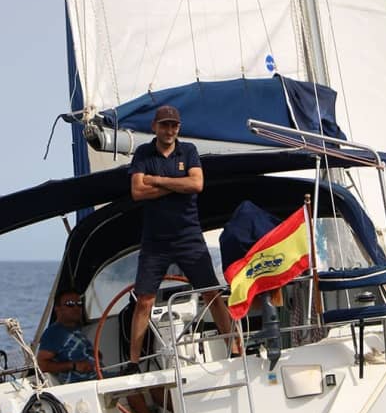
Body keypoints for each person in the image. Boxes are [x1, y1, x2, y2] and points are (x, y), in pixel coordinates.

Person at [125, 104, 237, 380]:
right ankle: (133, 361)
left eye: (174, 125)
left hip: (188, 236)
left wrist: (158, 180)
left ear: (179, 128)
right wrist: (177, 182)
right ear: (154, 127)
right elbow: (138, 191)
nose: (169, 130)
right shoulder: (142, 153)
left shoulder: (188, 151)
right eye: (164, 125)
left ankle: (234, 348)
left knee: (211, 293)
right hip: (155, 241)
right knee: (144, 301)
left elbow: (196, 185)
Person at [37, 289, 98, 383]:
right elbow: (42, 365)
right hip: (80, 384)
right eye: (70, 304)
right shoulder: (53, 333)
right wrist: (74, 365)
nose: (76, 308)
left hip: (96, 378)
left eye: (79, 303)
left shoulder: (76, 329)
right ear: (57, 308)